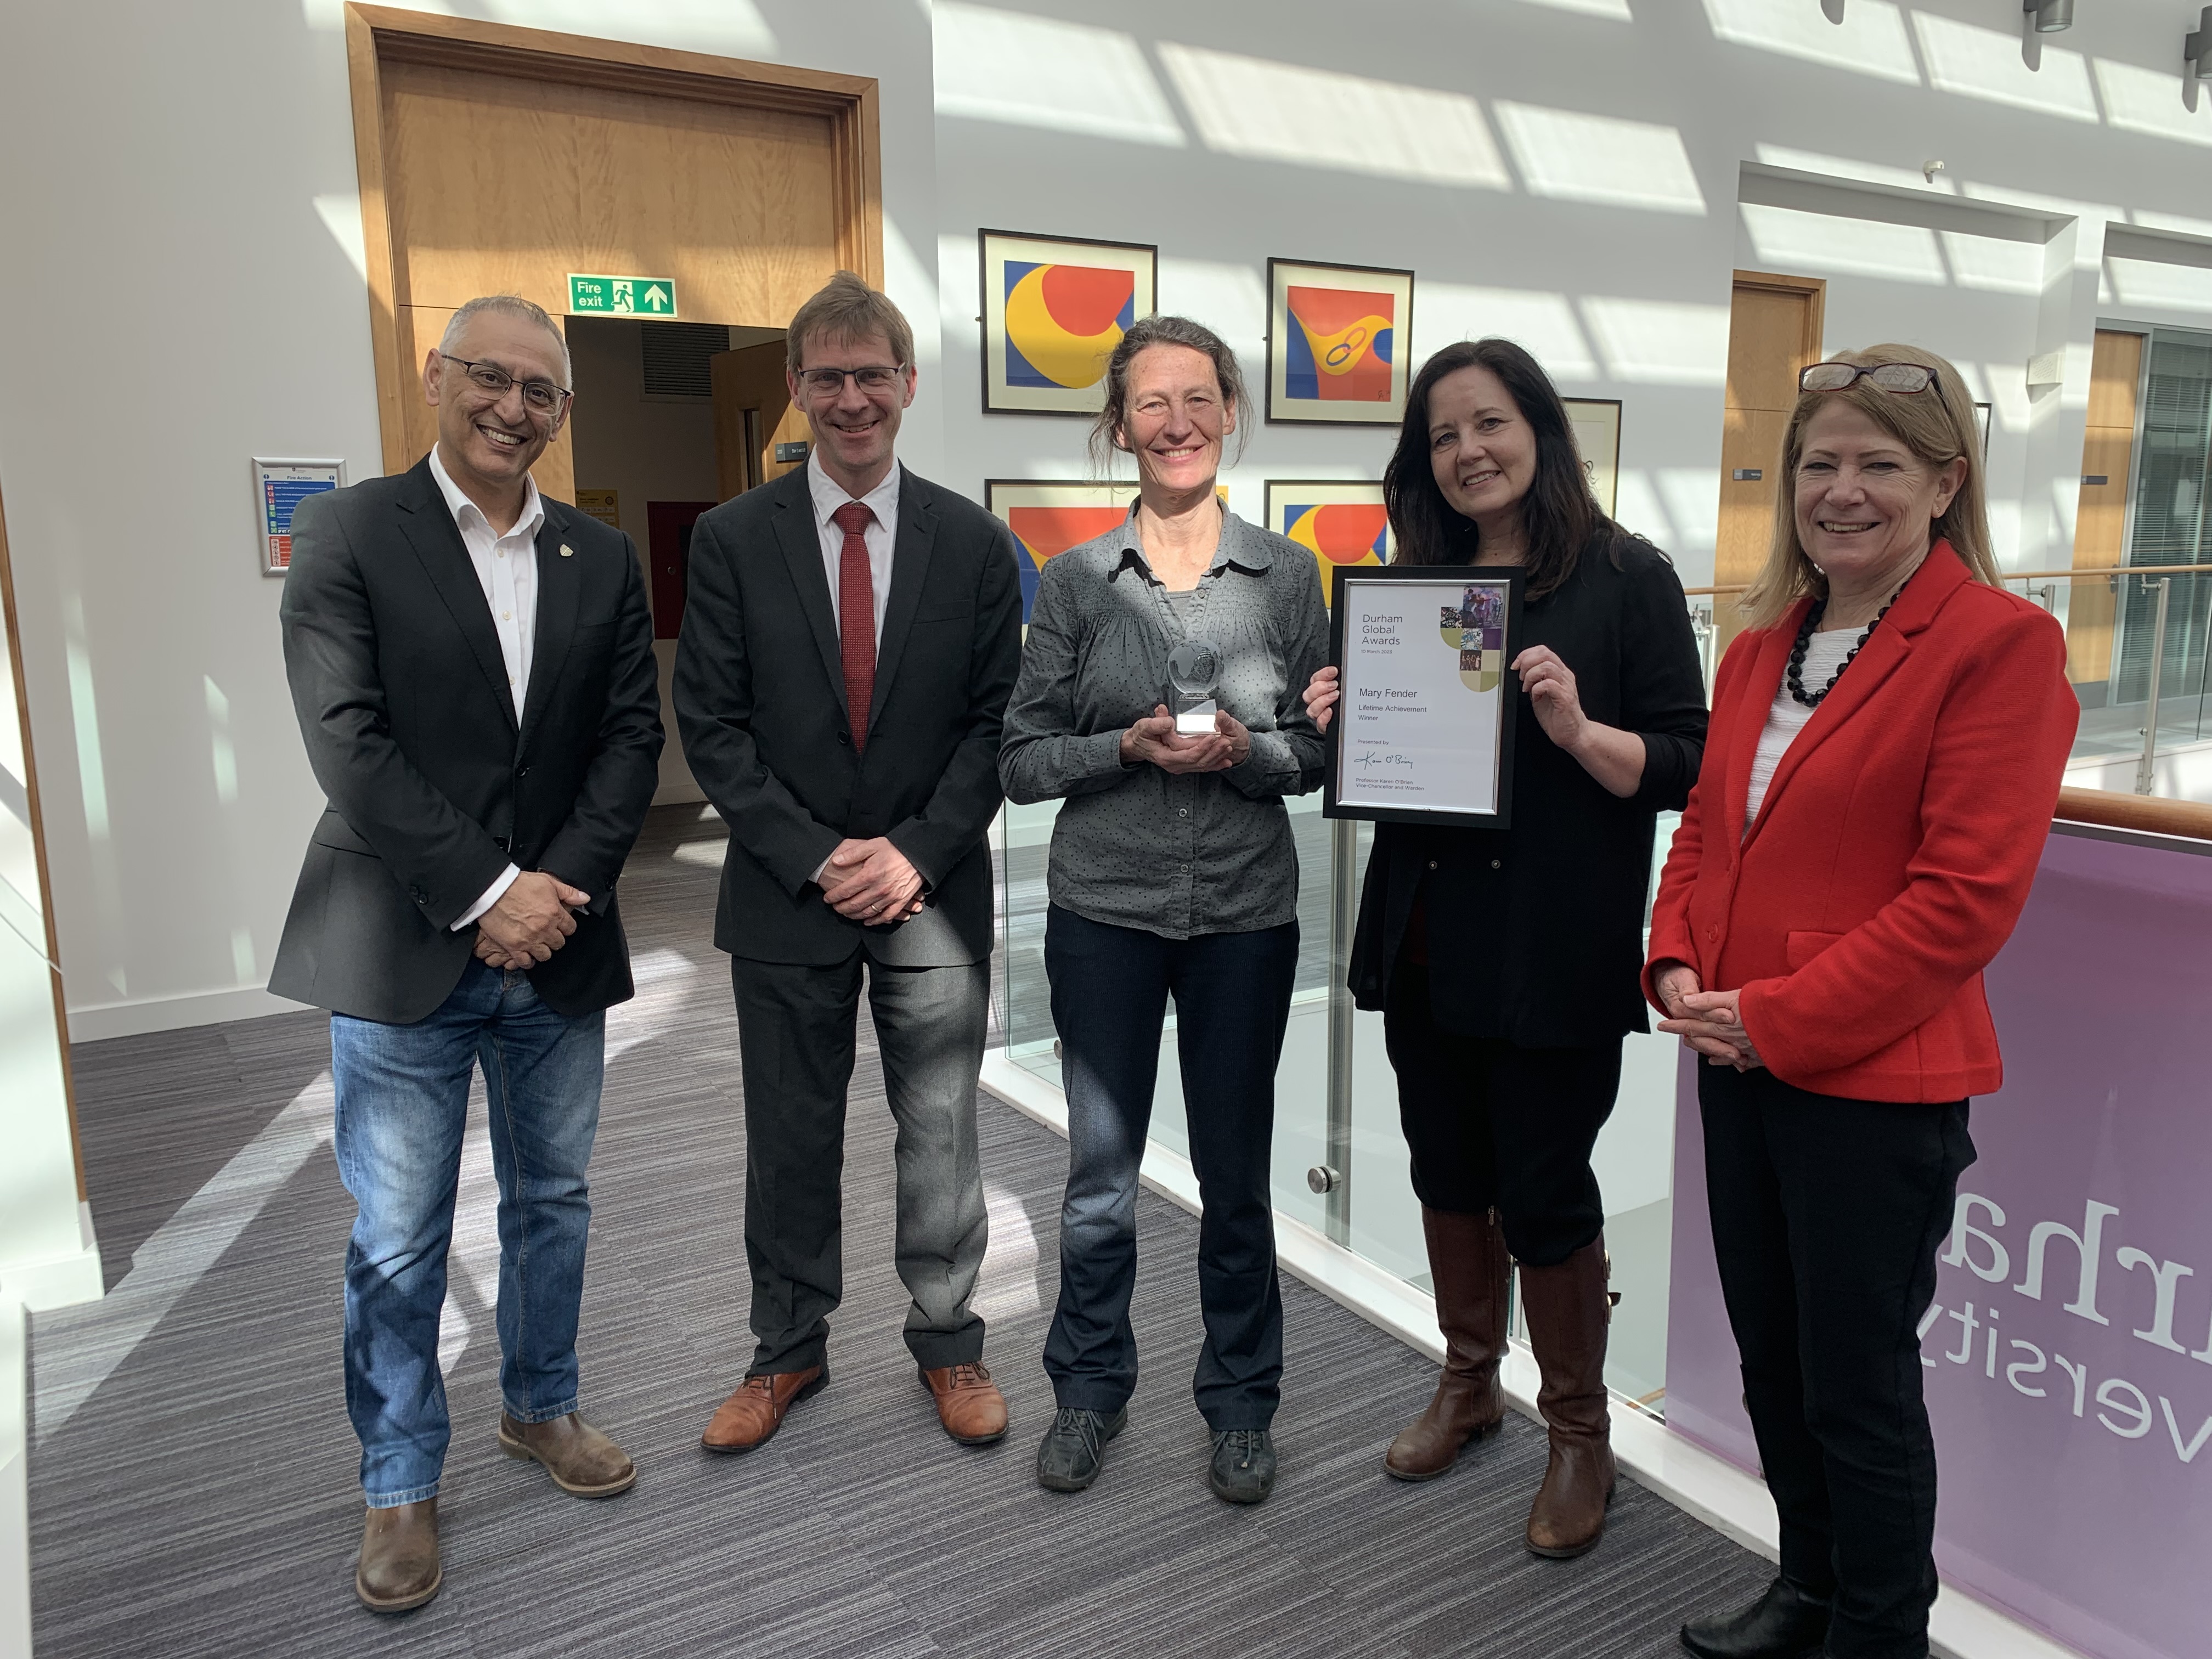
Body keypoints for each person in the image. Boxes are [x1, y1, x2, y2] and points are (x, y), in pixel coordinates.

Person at [1649, 346, 2074, 1659]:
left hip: (1870, 1087)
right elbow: (1706, 835)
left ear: (1946, 484)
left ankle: (1880, 1632)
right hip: (1736, 1066)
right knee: (1773, 1364)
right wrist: (1671, 961)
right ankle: (1811, 1589)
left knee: (1861, 1384)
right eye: (1820, 463)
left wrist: (1772, 1015)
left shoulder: (2002, 646)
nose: (1843, 490)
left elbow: (1963, 903)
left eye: (1879, 464)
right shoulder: (1761, 645)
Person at [273, 294, 664, 1612]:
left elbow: (627, 741)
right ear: (435, 377)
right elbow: (348, 739)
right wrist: (488, 889)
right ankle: (397, 1478)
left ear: (563, 410)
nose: (512, 407)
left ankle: (540, 1407)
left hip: (559, 945)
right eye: (488, 378)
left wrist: (555, 891)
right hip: (403, 950)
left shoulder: (601, 559)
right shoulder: (345, 533)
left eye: (540, 391)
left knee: (553, 1201)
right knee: (399, 1232)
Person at [1305, 337, 1707, 1558]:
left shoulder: (1627, 576)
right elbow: (1397, 775)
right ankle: (1469, 1383)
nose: (1469, 451)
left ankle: (1577, 1432)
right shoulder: (1408, 585)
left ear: (1539, 429)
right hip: (1428, 937)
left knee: (1545, 1190)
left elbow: (1684, 762)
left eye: (1489, 424)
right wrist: (1341, 727)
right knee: (1444, 1172)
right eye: (1443, 435)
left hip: (1553, 946)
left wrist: (1580, 729)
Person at [675, 272, 1023, 1458]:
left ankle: (949, 1341)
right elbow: (711, 725)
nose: (852, 397)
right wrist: (823, 857)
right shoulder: (730, 539)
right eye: (827, 376)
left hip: (930, 893)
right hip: (787, 894)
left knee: (940, 1135)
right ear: (795, 389)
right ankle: (787, 1351)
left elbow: (995, 723)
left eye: (873, 374)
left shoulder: (975, 545)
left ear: (910, 385)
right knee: (788, 1134)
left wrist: (913, 854)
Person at [1001, 315, 1329, 1506]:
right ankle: (1088, 1389)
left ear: (1231, 413)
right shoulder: (1077, 581)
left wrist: (1254, 751)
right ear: (1121, 425)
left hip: (1245, 915)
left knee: (1236, 1177)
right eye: (1152, 404)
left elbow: (1326, 754)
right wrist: (1120, 747)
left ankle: (1242, 1403)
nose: (1177, 423)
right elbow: (1021, 758)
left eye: (1198, 399)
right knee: (1100, 1172)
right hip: (1106, 912)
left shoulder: (1290, 577)